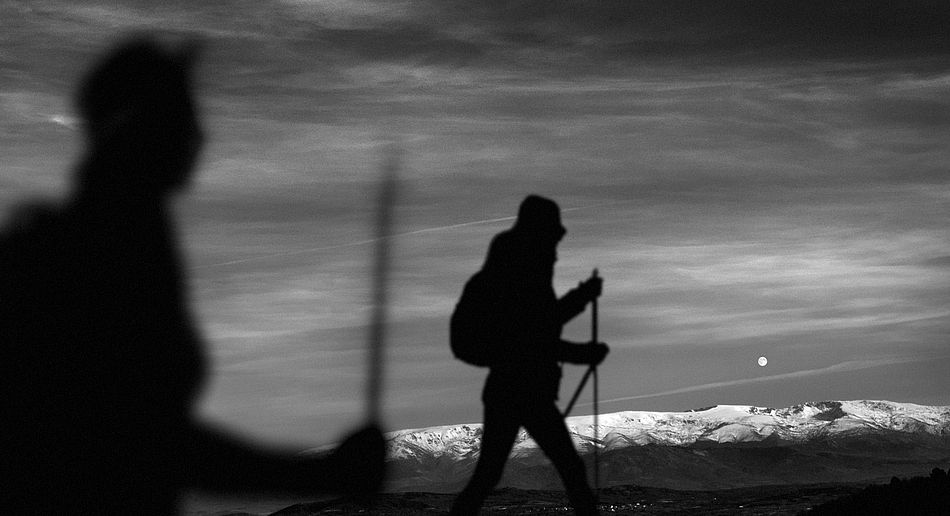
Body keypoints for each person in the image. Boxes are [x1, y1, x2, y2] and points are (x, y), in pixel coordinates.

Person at [0, 37, 384, 515]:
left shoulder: (125, 244)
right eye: (179, 117)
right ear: (133, 128)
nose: (198, 135)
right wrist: (322, 475)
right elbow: (137, 436)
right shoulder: (89, 254)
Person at [449, 195, 609, 516]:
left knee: (489, 475)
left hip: (508, 391)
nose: (557, 245)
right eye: (553, 235)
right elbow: (534, 339)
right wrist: (583, 353)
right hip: (525, 391)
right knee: (569, 469)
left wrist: (581, 297)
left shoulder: (510, 277)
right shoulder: (521, 279)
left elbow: (542, 326)